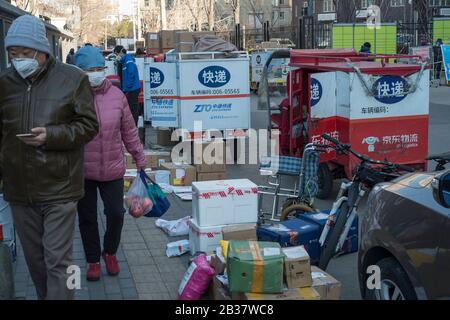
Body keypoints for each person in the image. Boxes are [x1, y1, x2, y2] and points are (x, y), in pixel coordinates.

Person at [0, 15, 99, 300]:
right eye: (12, 53)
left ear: (42, 51)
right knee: (36, 262)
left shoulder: (72, 79)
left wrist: (51, 135)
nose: (19, 60)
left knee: (60, 260)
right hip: (19, 190)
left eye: (25, 53)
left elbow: (89, 126)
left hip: (60, 187)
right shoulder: (4, 83)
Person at [74, 46, 146, 281]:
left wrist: (140, 160)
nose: (94, 74)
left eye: (98, 69)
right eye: (88, 71)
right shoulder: (72, 97)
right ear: (79, 72)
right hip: (82, 171)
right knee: (87, 218)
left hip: (113, 168)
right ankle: (93, 260)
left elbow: (129, 131)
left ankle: (110, 252)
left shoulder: (117, 96)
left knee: (116, 214)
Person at [115, 45, 141, 125]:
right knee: (131, 107)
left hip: (132, 88)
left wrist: (127, 87)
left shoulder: (128, 60)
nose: (117, 56)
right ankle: (133, 124)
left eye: (117, 54)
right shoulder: (124, 61)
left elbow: (131, 74)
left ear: (121, 52)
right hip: (131, 88)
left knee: (133, 108)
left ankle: (134, 124)